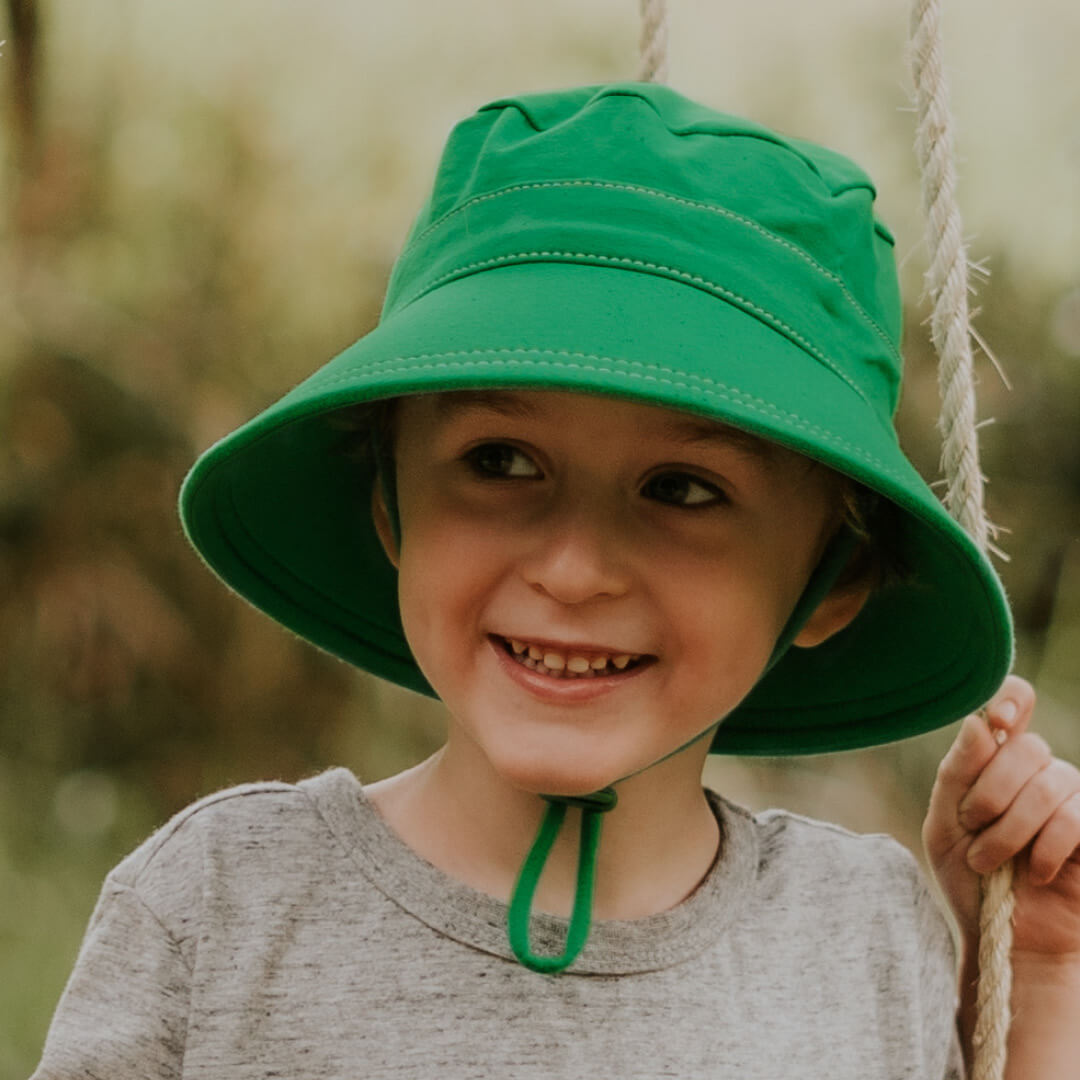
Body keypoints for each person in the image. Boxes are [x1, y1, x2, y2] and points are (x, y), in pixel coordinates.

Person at [32, 82, 1080, 1079]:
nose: (573, 571)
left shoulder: (857, 930)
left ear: (834, 579)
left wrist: (1040, 980)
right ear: (390, 505)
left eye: (683, 488)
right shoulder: (224, 901)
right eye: (500, 461)